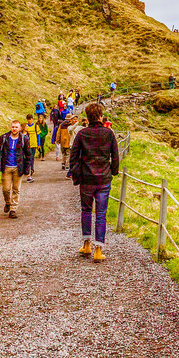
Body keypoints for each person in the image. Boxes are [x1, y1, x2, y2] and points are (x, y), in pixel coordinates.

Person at [69, 103, 120, 263]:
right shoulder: (108, 133)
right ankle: (98, 249)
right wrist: (113, 171)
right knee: (101, 213)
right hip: (104, 178)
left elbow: (74, 157)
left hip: (87, 179)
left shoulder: (82, 134)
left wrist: (77, 176)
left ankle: (86, 245)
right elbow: (115, 155)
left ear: (88, 116)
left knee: (86, 211)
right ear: (99, 116)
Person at [0, 119, 31, 218]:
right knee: (6, 189)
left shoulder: (24, 139)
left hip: (18, 167)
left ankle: (13, 209)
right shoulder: (4, 137)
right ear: (10, 127)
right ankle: (8, 202)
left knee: (16, 189)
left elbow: (28, 155)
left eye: (16, 127)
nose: (14, 129)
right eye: (13, 127)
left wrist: (27, 169)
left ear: (20, 128)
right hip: (6, 167)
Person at [24, 115, 39, 180]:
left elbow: (38, 135)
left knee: (32, 157)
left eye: (30, 119)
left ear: (32, 119)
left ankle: (32, 168)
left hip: (34, 144)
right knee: (29, 158)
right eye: (28, 119)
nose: (29, 120)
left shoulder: (36, 126)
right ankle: (29, 169)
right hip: (27, 145)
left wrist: (39, 144)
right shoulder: (26, 127)